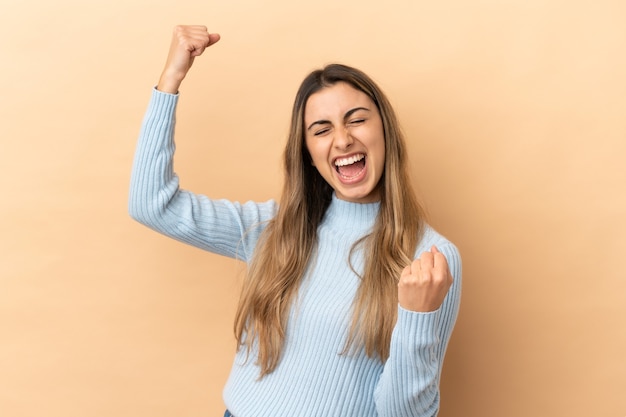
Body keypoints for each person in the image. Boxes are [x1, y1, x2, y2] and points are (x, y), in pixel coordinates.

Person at [129, 25, 461, 417]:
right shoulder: (274, 228)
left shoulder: (429, 260)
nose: (341, 140)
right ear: (308, 153)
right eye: (321, 130)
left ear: (384, 131)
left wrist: (417, 318)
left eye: (356, 120)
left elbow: (404, 414)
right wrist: (171, 79)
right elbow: (151, 205)